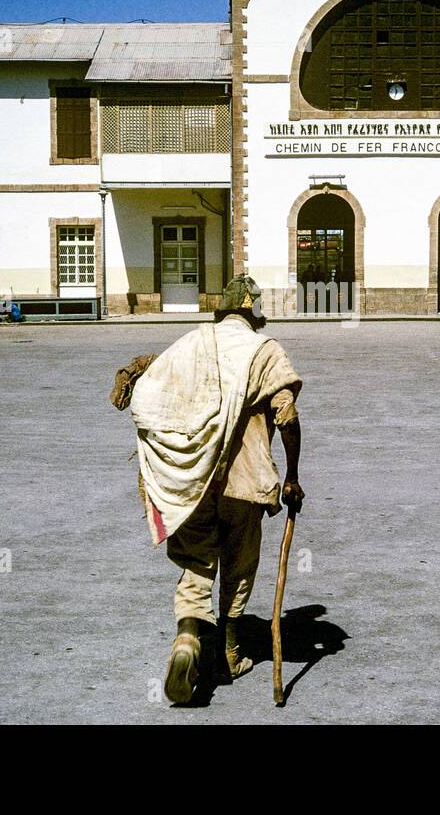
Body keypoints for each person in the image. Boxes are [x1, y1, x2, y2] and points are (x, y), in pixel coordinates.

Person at [113, 275, 304, 705]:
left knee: (196, 562)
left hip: (194, 481)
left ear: (220, 311)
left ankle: (187, 638)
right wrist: (292, 476)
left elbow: (153, 381)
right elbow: (286, 417)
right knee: (239, 563)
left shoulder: (193, 342)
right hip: (244, 482)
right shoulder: (265, 350)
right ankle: (229, 653)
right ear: (255, 314)